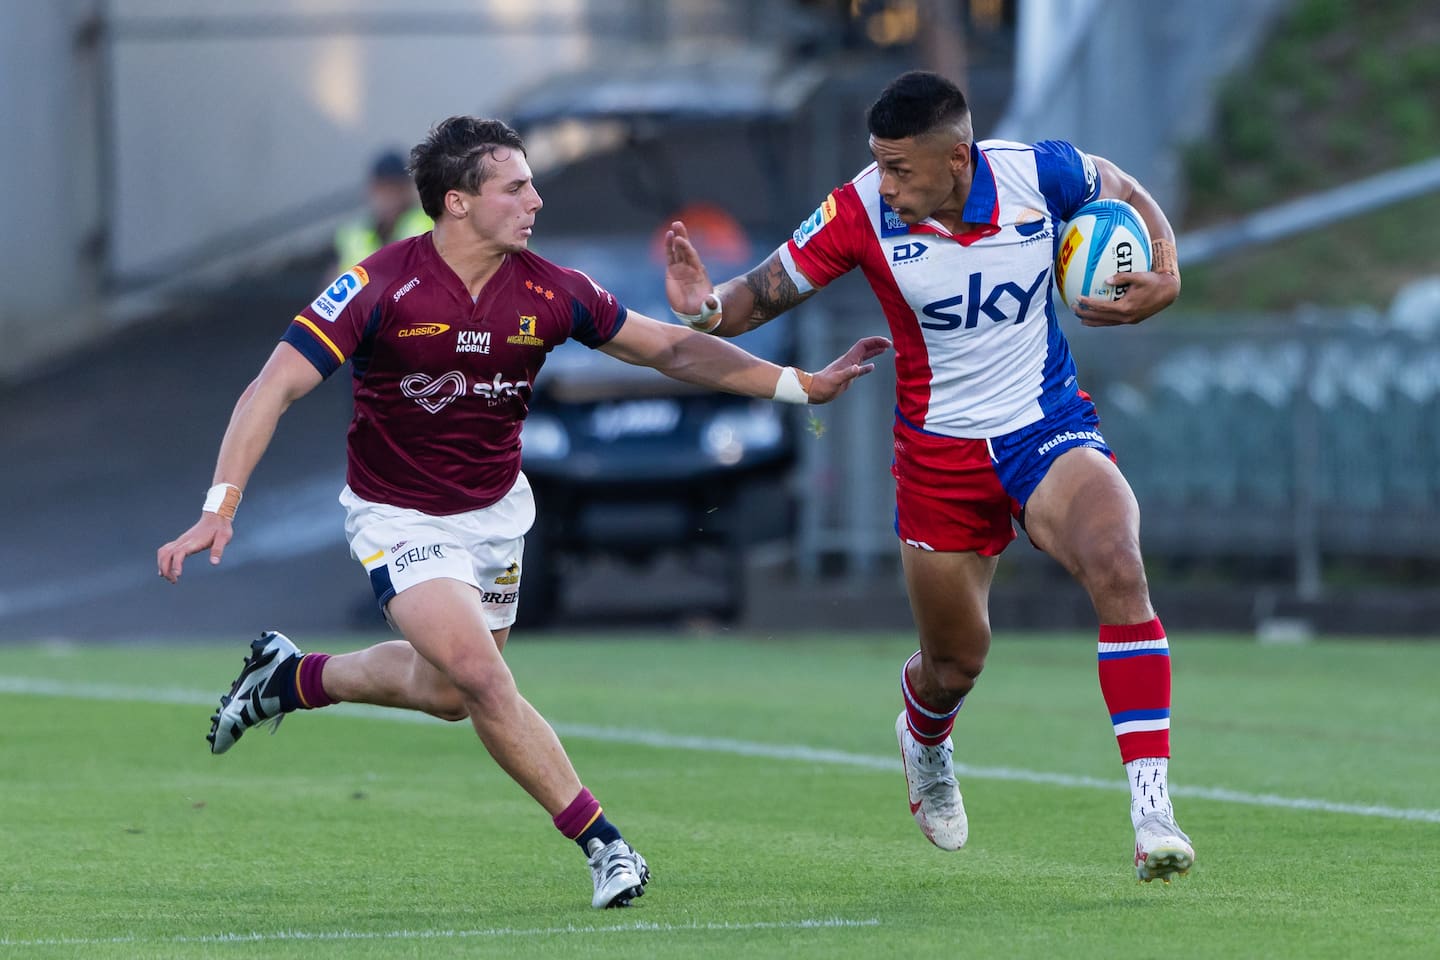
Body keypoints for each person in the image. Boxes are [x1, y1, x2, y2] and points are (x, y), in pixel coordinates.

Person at [156, 116, 890, 910]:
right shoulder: (377, 285)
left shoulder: (553, 290)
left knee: (449, 694)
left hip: (497, 514)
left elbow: (673, 350)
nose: (536, 200)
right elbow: (271, 388)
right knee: (481, 674)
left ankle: (290, 678)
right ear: (458, 202)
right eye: (516, 188)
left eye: (533, 185)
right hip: (398, 517)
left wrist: (798, 384)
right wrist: (220, 505)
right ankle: (606, 845)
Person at [663, 71, 1193, 883]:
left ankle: (1152, 814)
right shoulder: (857, 210)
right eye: (879, 164)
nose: (886, 184)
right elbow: (755, 298)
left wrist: (1167, 269)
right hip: (939, 457)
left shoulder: (1036, 173)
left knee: (1118, 563)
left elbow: (1119, 185)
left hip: (1045, 427)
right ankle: (924, 737)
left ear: (957, 158)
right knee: (955, 663)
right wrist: (703, 307)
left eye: (900, 169)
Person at [331, 149, 434, 271]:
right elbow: (336, 275)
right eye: (382, 189)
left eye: (396, 189)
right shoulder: (354, 235)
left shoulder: (428, 222)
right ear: (369, 191)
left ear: (409, 189)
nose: (389, 198)